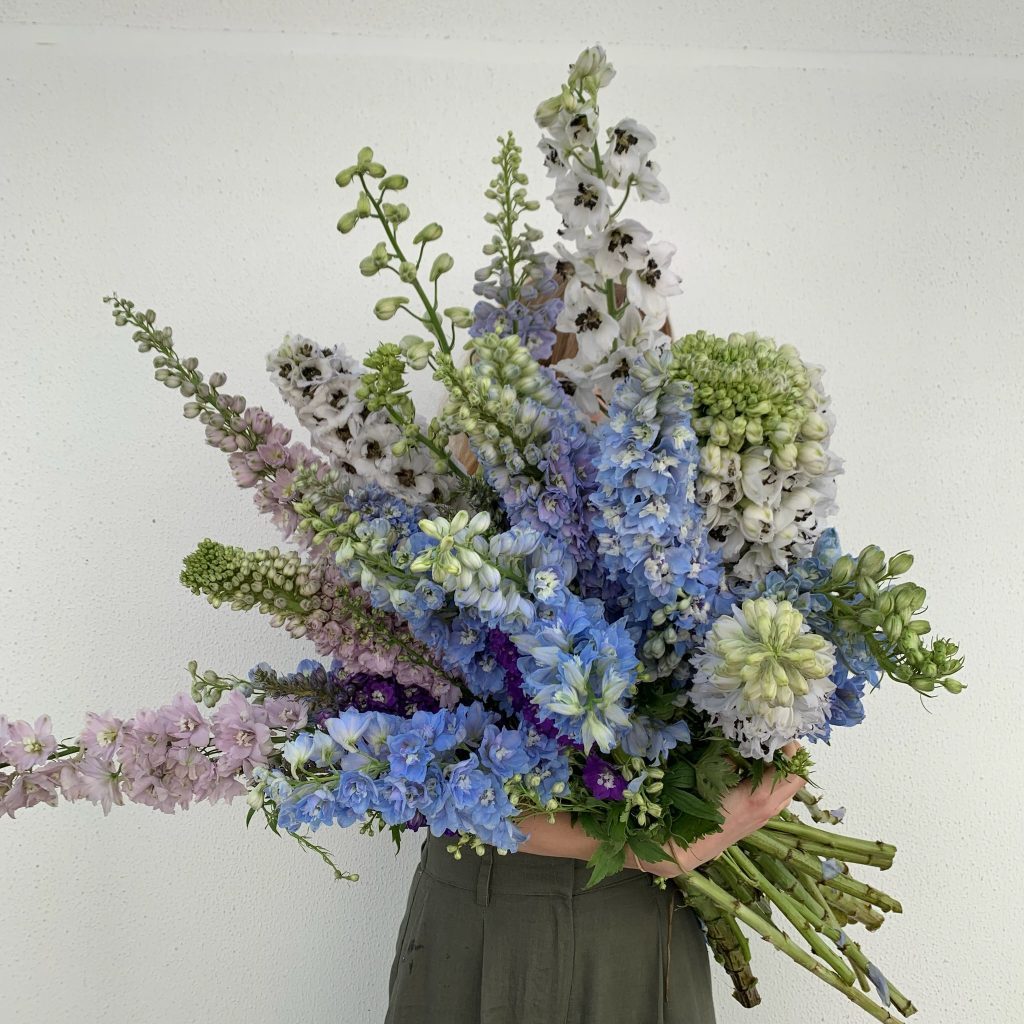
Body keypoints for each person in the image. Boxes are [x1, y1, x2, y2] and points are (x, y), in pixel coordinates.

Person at [383, 287, 809, 1024]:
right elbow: (413, 772)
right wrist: (653, 845)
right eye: (572, 378)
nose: (599, 402)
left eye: (624, 373)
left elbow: (753, 718)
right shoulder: (442, 532)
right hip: (487, 912)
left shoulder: (702, 517)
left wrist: (766, 745)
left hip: (637, 923)